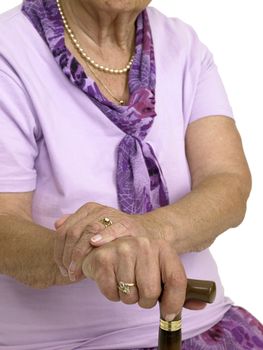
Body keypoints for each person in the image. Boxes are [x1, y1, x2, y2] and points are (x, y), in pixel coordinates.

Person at [0, 0, 262, 349]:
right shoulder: (10, 52)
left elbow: (228, 180)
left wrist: (146, 231)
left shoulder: (182, 44)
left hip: (203, 327)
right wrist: (86, 254)